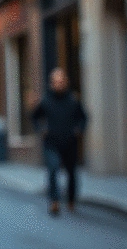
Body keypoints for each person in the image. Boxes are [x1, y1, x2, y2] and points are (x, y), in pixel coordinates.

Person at [31, 67, 88, 215]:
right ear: (51, 83)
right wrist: (41, 129)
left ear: (66, 82)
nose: (59, 84)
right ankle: (54, 201)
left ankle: (71, 201)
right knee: (53, 169)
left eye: (61, 81)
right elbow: (35, 117)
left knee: (71, 172)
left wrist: (79, 129)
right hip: (52, 142)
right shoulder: (46, 100)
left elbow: (83, 117)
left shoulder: (73, 100)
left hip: (70, 142)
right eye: (56, 81)